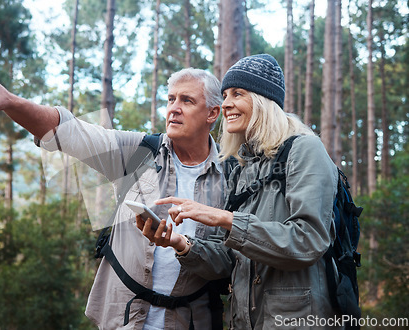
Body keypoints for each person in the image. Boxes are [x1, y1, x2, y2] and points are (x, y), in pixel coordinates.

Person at [0, 48, 233, 329]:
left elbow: (229, 262)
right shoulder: (140, 152)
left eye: (186, 100)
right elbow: (68, 131)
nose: (174, 108)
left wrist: (181, 246)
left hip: (191, 321)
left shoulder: (231, 177)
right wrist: (8, 101)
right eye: (170, 99)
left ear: (212, 113)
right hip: (122, 320)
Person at [138, 54, 340, 329]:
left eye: (237, 93)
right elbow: (230, 261)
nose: (226, 104)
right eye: (224, 95)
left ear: (263, 101)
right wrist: (180, 244)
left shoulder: (304, 149)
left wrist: (224, 218)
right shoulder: (243, 166)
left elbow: (309, 240)